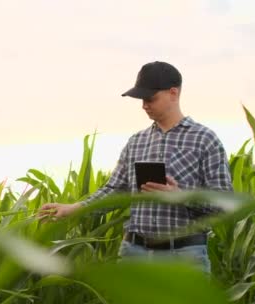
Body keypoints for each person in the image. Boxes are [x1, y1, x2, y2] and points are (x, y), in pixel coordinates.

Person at [39, 61, 233, 272]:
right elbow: (114, 190)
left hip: (185, 257)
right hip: (134, 254)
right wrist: (73, 209)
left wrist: (180, 196)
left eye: (150, 98)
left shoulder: (205, 139)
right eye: (141, 99)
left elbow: (224, 203)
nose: (144, 105)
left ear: (173, 93)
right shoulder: (136, 142)